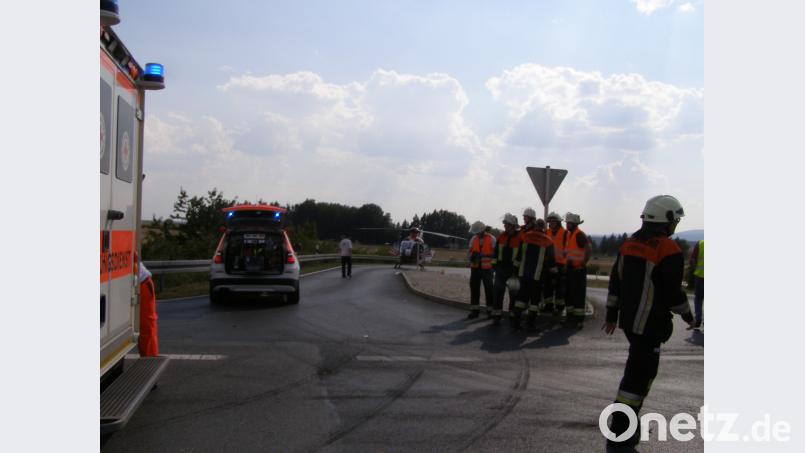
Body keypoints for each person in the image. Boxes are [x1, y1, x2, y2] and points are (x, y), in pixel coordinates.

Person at [603, 195, 695, 447]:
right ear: (665, 220)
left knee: (634, 375)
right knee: (638, 380)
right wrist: (688, 315)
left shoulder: (630, 243)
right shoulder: (668, 249)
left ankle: (623, 427)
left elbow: (615, 282)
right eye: (674, 220)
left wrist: (611, 314)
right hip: (651, 326)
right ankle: (621, 431)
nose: (675, 224)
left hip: (631, 324)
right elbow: (673, 293)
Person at [512, 217, 556, 330]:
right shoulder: (548, 241)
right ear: (544, 228)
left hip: (524, 274)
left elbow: (518, 256)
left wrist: (515, 272)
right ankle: (530, 324)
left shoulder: (525, 236)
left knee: (521, 299)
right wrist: (554, 274)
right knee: (534, 302)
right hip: (537, 276)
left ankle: (516, 322)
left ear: (535, 226)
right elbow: (551, 261)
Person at [562, 212, 592, 328]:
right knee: (568, 294)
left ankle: (579, 320)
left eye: (569, 223)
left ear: (574, 224)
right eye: (567, 222)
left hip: (578, 270)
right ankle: (570, 318)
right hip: (570, 269)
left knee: (578, 295)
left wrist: (582, 264)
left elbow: (589, 250)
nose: (567, 224)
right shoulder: (570, 234)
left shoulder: (579, 235)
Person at [491, 213, 522, 326]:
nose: (504, 226)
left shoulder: (520, 238)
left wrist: (517, 269)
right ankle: (497, 315)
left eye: (507, 224)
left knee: (514, 294)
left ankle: (512, 315)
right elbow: (495, 253)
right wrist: (494, 266)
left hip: (513, 270)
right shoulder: (501, 236)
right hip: (500, 269)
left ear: (513, 225)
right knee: (498, 292)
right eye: (504, 224)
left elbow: (521, 255)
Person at [467, 221, 495, 319]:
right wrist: (471, 257)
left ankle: (490, 311)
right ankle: (475, 311)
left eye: (477, 232)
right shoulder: (473, 239)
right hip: (475, 268)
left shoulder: (492, 239)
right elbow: (469, 253)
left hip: (487, 269)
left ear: (482, 230)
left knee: (489, 290)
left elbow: (496, 254)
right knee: (474, 289)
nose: (476, 234)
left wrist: (486, 256)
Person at [543, 211, 566, 315]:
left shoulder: (565, 233)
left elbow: (568, 250)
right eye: (550, 221)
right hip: (548, 263)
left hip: (560, 264)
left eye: (554, 221)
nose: (551, 223)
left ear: (558, 222)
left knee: (559, 287)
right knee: (547, 285)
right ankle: (548, 306)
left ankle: (560, 308)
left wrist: (566, 264)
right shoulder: (546, 232)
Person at [138, 259, 159, 356]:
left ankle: (150, 358)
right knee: (147, 326)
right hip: (142, 284)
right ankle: (149, 356)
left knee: (147, 327)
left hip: (143, 284)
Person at [688, 239, 704, 329]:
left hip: (699, 276)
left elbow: (692, 260)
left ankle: (698, 319)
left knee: (698, 298)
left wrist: (694, 270)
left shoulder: (700, 243)